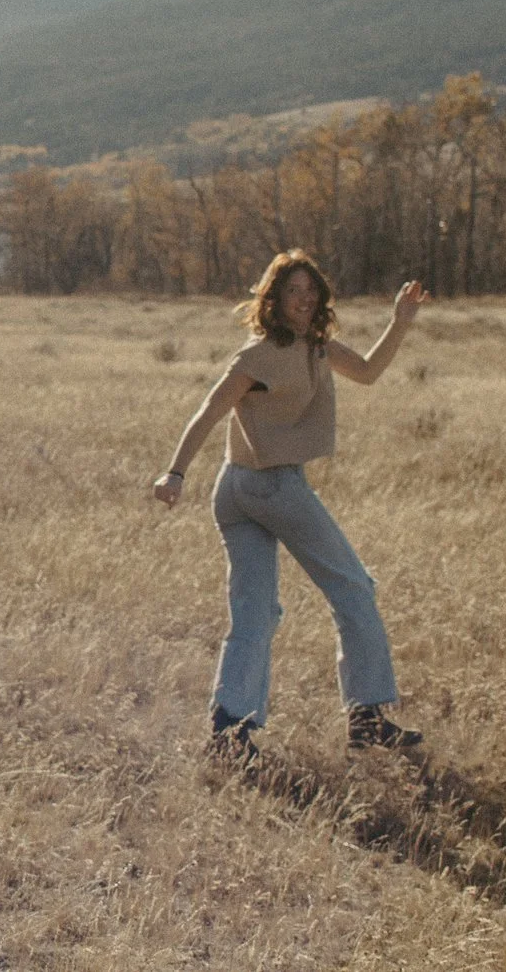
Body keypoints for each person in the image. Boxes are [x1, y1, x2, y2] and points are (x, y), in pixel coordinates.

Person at [153, 250, 429, 758]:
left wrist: (400, 323)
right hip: (269, 487)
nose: (304, 300)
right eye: (293, 292)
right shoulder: (258, 355)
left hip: (237, 488)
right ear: (272, 299)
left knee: (255, 613)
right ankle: (367, 718)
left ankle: (230, 731)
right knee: (354, 588)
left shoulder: (317, 346)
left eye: (311, 292)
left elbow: (367, 372)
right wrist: (174, 470)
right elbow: (211, 409)